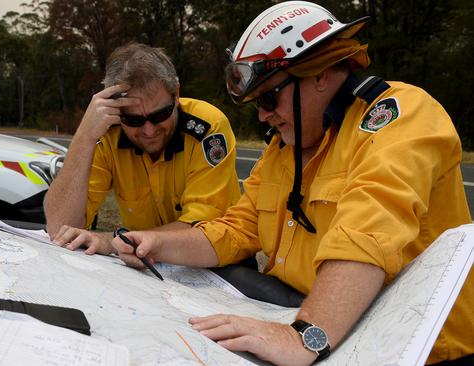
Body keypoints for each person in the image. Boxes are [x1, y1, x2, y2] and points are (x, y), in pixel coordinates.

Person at [111, 2, 473, 365]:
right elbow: (238, 229)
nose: (264, 114)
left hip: (422, 349)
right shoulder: (284, 150)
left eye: (269, 97)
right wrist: (157, 243)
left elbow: (368, 232)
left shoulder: (398, 115)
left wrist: (305, 335)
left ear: (318, 74)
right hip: (329, 328)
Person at [44, 43, 241, 255]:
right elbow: (59, 228)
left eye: (160, 115)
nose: (149, 131)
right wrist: (84, 136)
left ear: (176, 94)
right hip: (145, 263)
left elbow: (204, 231)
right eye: (133, 119)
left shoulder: (207, 127)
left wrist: (117, 241)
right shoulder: (108, 133)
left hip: (214, 264)